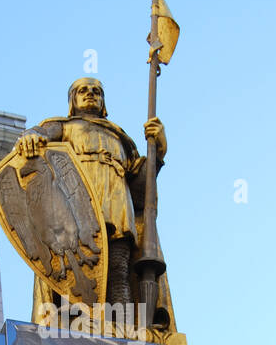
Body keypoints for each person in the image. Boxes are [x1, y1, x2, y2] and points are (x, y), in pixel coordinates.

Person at [14, 77, 165, 310]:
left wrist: (158, 149)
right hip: (75, 200)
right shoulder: (64, 126)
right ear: (72, 100)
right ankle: (73, 320)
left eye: (97, 91)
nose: (91, 94)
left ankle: (121, 325)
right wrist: (31, 137)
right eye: (82, 90)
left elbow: (141, 187)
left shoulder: (121, 138)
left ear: (103, 102)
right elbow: (40, 133)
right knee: (74, 262)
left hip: (116, 203)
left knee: (118, 266)